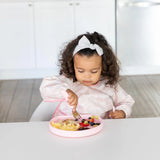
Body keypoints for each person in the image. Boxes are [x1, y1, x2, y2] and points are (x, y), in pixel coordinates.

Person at [30, 32, 134, 121]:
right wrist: (66, 91)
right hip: (67, 128)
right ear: (72, 65)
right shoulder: (69, 81)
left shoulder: (109, 85)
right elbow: (46, 86)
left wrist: (123, 112)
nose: (87, 76)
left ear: (103, 67)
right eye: (80, 70)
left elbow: (126, 101)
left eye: (94, 71)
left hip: (97, 130)